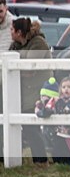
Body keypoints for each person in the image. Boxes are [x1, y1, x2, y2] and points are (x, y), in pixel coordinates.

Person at [10, 17, 52, 163]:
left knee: (32, 126)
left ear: (19, 32)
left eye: (12, 29)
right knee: (27, 126)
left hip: (38, 90)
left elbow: (30, 68)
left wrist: (16, 68)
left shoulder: (38, 42)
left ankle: (41, 160)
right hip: (23, 90)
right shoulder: (16, 45)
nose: (10, 32)